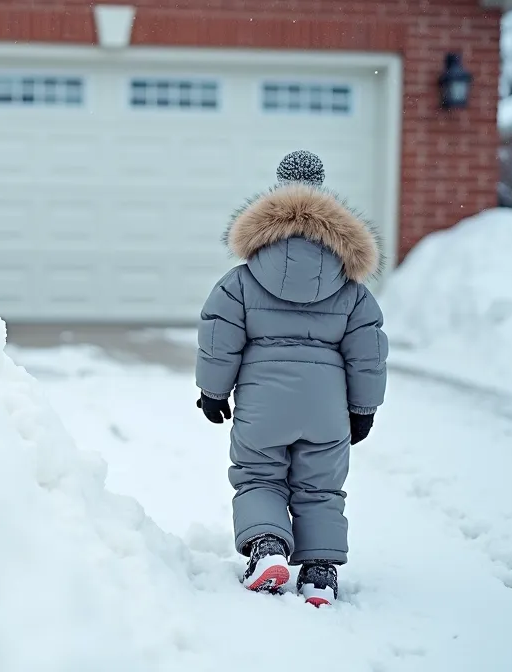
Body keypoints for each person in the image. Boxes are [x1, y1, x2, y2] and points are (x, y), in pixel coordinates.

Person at [194, 150, 388, 608]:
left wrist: (213, 391)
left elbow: (219, 335)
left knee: (259, 477)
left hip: (263, 402)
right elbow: (368, 351)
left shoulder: (241, 280)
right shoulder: (350, 284)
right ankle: (320, 574)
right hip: (326, 406)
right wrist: (363, 408)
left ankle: (267, 550)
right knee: (320, 486)